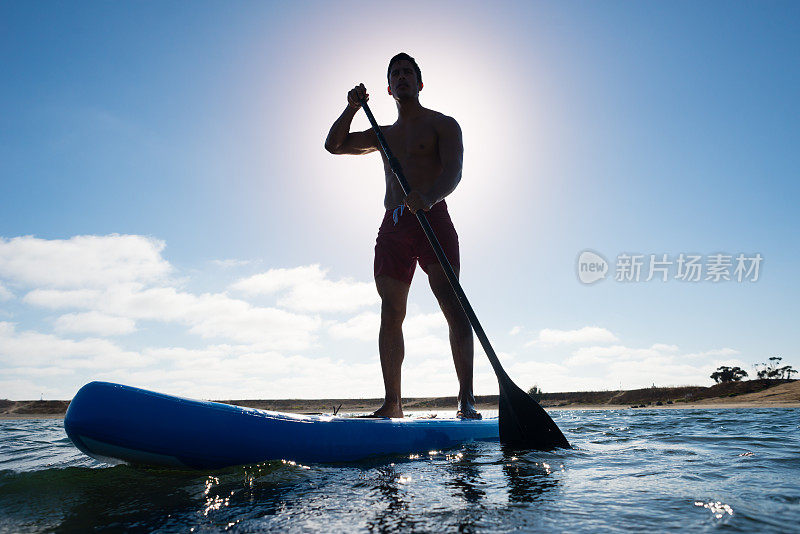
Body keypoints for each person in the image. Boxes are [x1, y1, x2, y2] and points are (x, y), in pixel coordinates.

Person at [325, 53, 480, 419]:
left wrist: (427, 197)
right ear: (389, 89)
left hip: (432, 216)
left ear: (420, 83)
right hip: (393, 224)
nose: (403, 77)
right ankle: (392, 404)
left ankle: (466, 399)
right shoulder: (384, 135)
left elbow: (454, 172)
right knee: (390, 311)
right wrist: (351, 108)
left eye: (408, 72)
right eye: (396, 74)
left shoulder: (443, 124)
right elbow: (334, 145)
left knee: (451, 304)